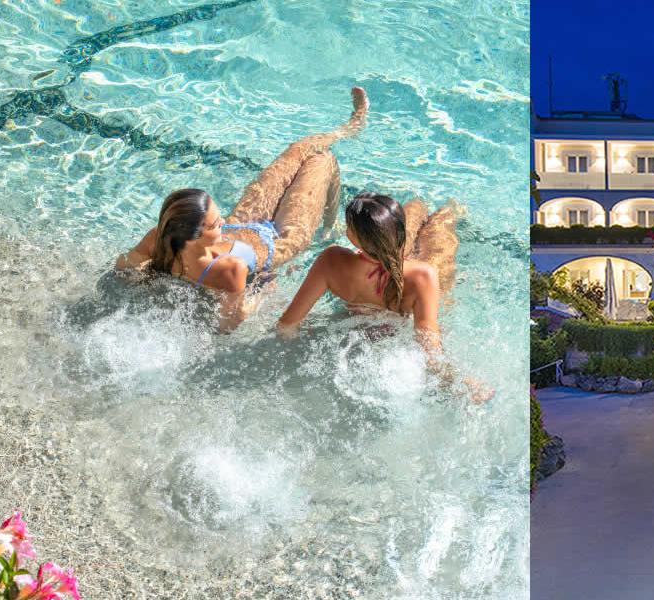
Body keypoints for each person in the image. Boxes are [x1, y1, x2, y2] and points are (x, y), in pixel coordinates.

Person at [114, 87, 368, 332]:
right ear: (192, 237)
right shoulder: (229, 269)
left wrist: (152, 276)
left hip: (245, 220)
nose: (222, 222)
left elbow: (123, 266)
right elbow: (228, 324)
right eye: (214, 225)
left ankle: (349, 128)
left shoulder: (160, 237)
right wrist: (260, 293)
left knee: (298, 149)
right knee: (323, 160)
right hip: (280, 240)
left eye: (217, 215)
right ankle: (328, 226)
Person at [274, 192, 489, 402]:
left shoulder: (331, 261)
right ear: (399, 236)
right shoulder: (423, 275)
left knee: (414, 206)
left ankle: (420, 204)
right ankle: (449, 208)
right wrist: (466, 384)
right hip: (408, 273)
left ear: (351, 237)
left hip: (385, 264)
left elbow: (287, 325)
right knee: (440, 228)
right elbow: (430, 348)